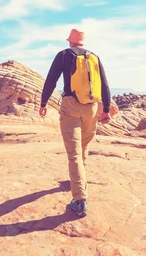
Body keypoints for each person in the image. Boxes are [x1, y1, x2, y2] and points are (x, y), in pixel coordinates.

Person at [39, 28, 111, 218]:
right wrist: (106, 110)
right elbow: (104, 84)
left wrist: (43, 103)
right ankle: (78, 181)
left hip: (71, 105)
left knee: (74, 154)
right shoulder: (93, 56)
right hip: (93, 107)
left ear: (70, 41)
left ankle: (79, 200)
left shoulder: (63, 55)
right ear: (83, 41)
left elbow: (51, 81)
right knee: (83, 147)